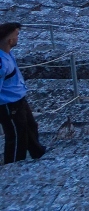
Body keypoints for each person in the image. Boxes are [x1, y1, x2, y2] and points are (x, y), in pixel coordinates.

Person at [0, 23, 45, 163]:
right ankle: (13, 165)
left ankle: (37, 153)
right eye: (16, 35)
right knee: (16, 134)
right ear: (10, 41)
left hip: (18, 100)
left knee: (30, 127)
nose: (18, 38)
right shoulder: (1, 62)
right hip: (9, 104)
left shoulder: (7, 53)